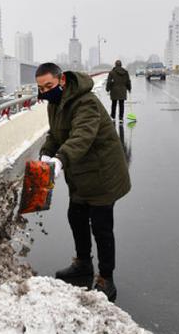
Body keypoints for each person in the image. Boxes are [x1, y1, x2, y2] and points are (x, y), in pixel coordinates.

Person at [36, 62, 131, 301]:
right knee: (76, 216)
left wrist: (60, 160)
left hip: (101, 171)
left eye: (49, 86)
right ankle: (83, 264)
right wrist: (46, 152)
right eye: (41, 88)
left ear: (62, 81)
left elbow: (82, 136)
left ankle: (106, 278)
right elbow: (56, 134)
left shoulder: (85, 102)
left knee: (101, 226)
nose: (45, 91)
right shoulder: (55, 103)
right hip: (80, 173)